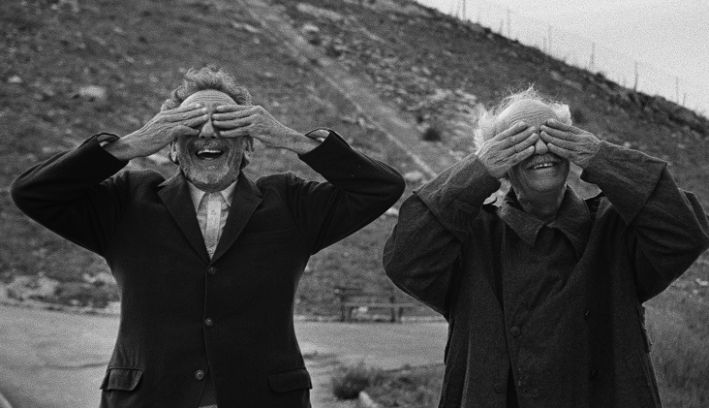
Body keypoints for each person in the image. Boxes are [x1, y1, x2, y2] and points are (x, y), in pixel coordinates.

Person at [11, 65, 404, 408]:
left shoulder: (290, 204)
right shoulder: (128, 202)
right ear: (171, 147)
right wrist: (128, 146)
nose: (209, 133)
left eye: (227, 123)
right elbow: (33, 193)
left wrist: (292, 139)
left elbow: (380, 188)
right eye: (191, 123)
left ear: (249, 145)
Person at [383, 89, 709, 408]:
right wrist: (476, 172)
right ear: (498, 160)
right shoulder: (471, 238)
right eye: (519, 141)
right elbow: (405, 261)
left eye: (552, 135)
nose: (541, 148)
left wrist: (602, 159)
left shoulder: (614, 229)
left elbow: (685, 232)